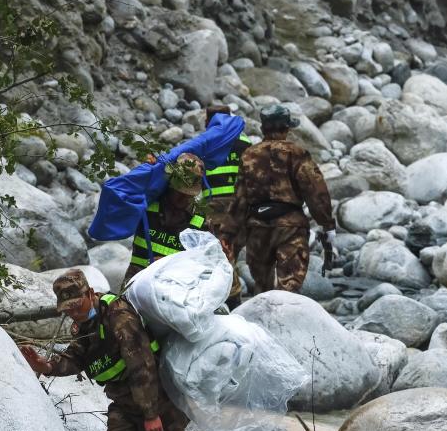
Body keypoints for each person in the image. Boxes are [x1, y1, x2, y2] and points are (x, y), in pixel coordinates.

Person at [19, 270, 190, 431]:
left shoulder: (119, 317)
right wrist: (46, 366)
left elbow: (141, 366)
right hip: (124, 404)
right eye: (68, 309)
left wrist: (151, 414)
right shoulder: (86, 324)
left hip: (156, 401)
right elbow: (76, 356)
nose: (74, 313)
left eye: (77, 306)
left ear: (90, 294)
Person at [220, 105, 336, 293]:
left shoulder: (248, 155)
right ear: (287, 128)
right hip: (290, 228)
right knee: (289, 288)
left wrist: (228, 233)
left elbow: (239, 199)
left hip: (257, 229)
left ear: (263, 129)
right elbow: (316, 191)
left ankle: (259, 321)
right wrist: (327, 224)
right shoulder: (297, 154)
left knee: (262, 289)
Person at [122, 152, 207, 285]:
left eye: (188, 194)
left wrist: (169, 264)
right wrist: (147, 170)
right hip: (135, 281)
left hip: (175, 287)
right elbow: (120, 197)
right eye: (179, 192)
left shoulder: (200, 219)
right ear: (169, 185)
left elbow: (204, 264)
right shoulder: (147, 204)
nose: (183, 198)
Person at [201, 106, 252, 309]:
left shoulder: (205, 141)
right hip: (241, 208)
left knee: (223, 257)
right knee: (231, 255)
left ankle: (232, 300)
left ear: (209, 120)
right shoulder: (245, 143)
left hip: (215, 209)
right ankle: (230, 300)